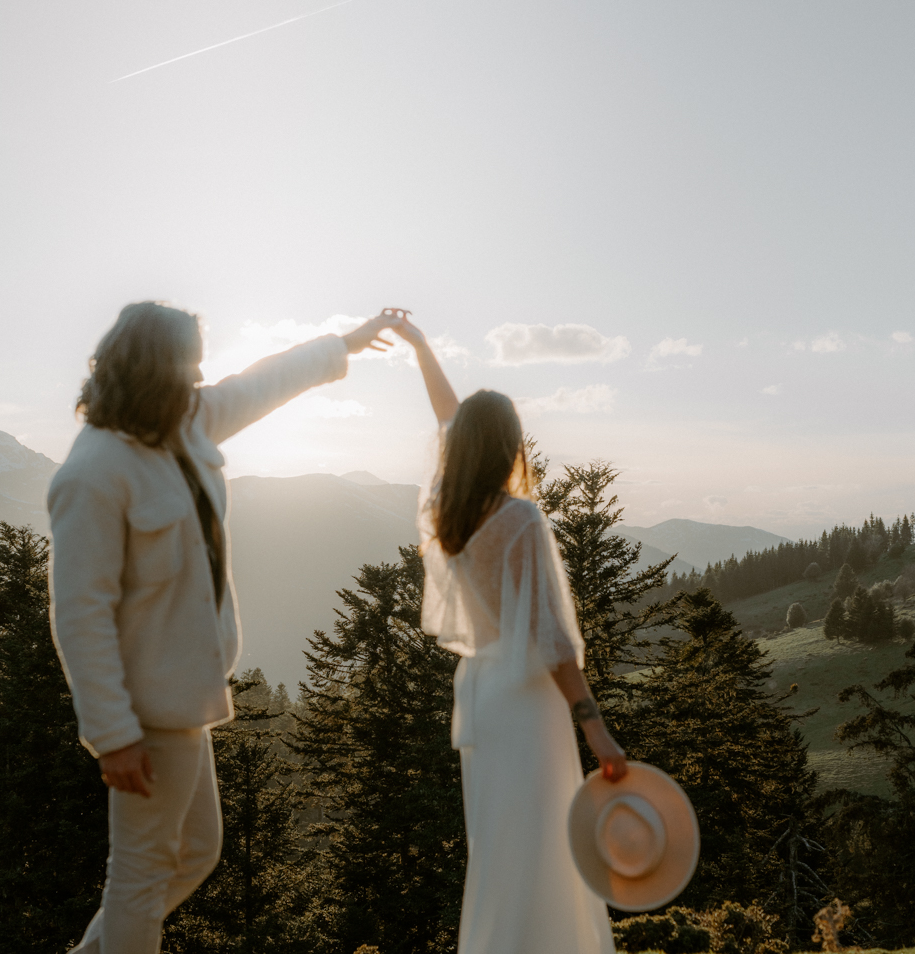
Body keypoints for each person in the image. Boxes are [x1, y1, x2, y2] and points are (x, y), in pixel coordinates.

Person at [48, 300, 395, 954]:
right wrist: (113, 734)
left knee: (196, 852)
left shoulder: (185, 423)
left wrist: (345, 342)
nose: (201, 375)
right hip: (146, 709)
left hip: (186, 698)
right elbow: (79, 614)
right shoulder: (92, 472)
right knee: (141, 876)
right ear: (154, 368)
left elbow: (262, 382)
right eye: (189, 364)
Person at [384, 309, 627, 954]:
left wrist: (420, 347)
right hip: (527, 702)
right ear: (511, 443)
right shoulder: (520, 520)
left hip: (482, 693)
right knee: (546, 849)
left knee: (497, 851)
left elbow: (446, 419)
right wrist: (595, 727)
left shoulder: (447, 511)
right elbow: (552, 637)